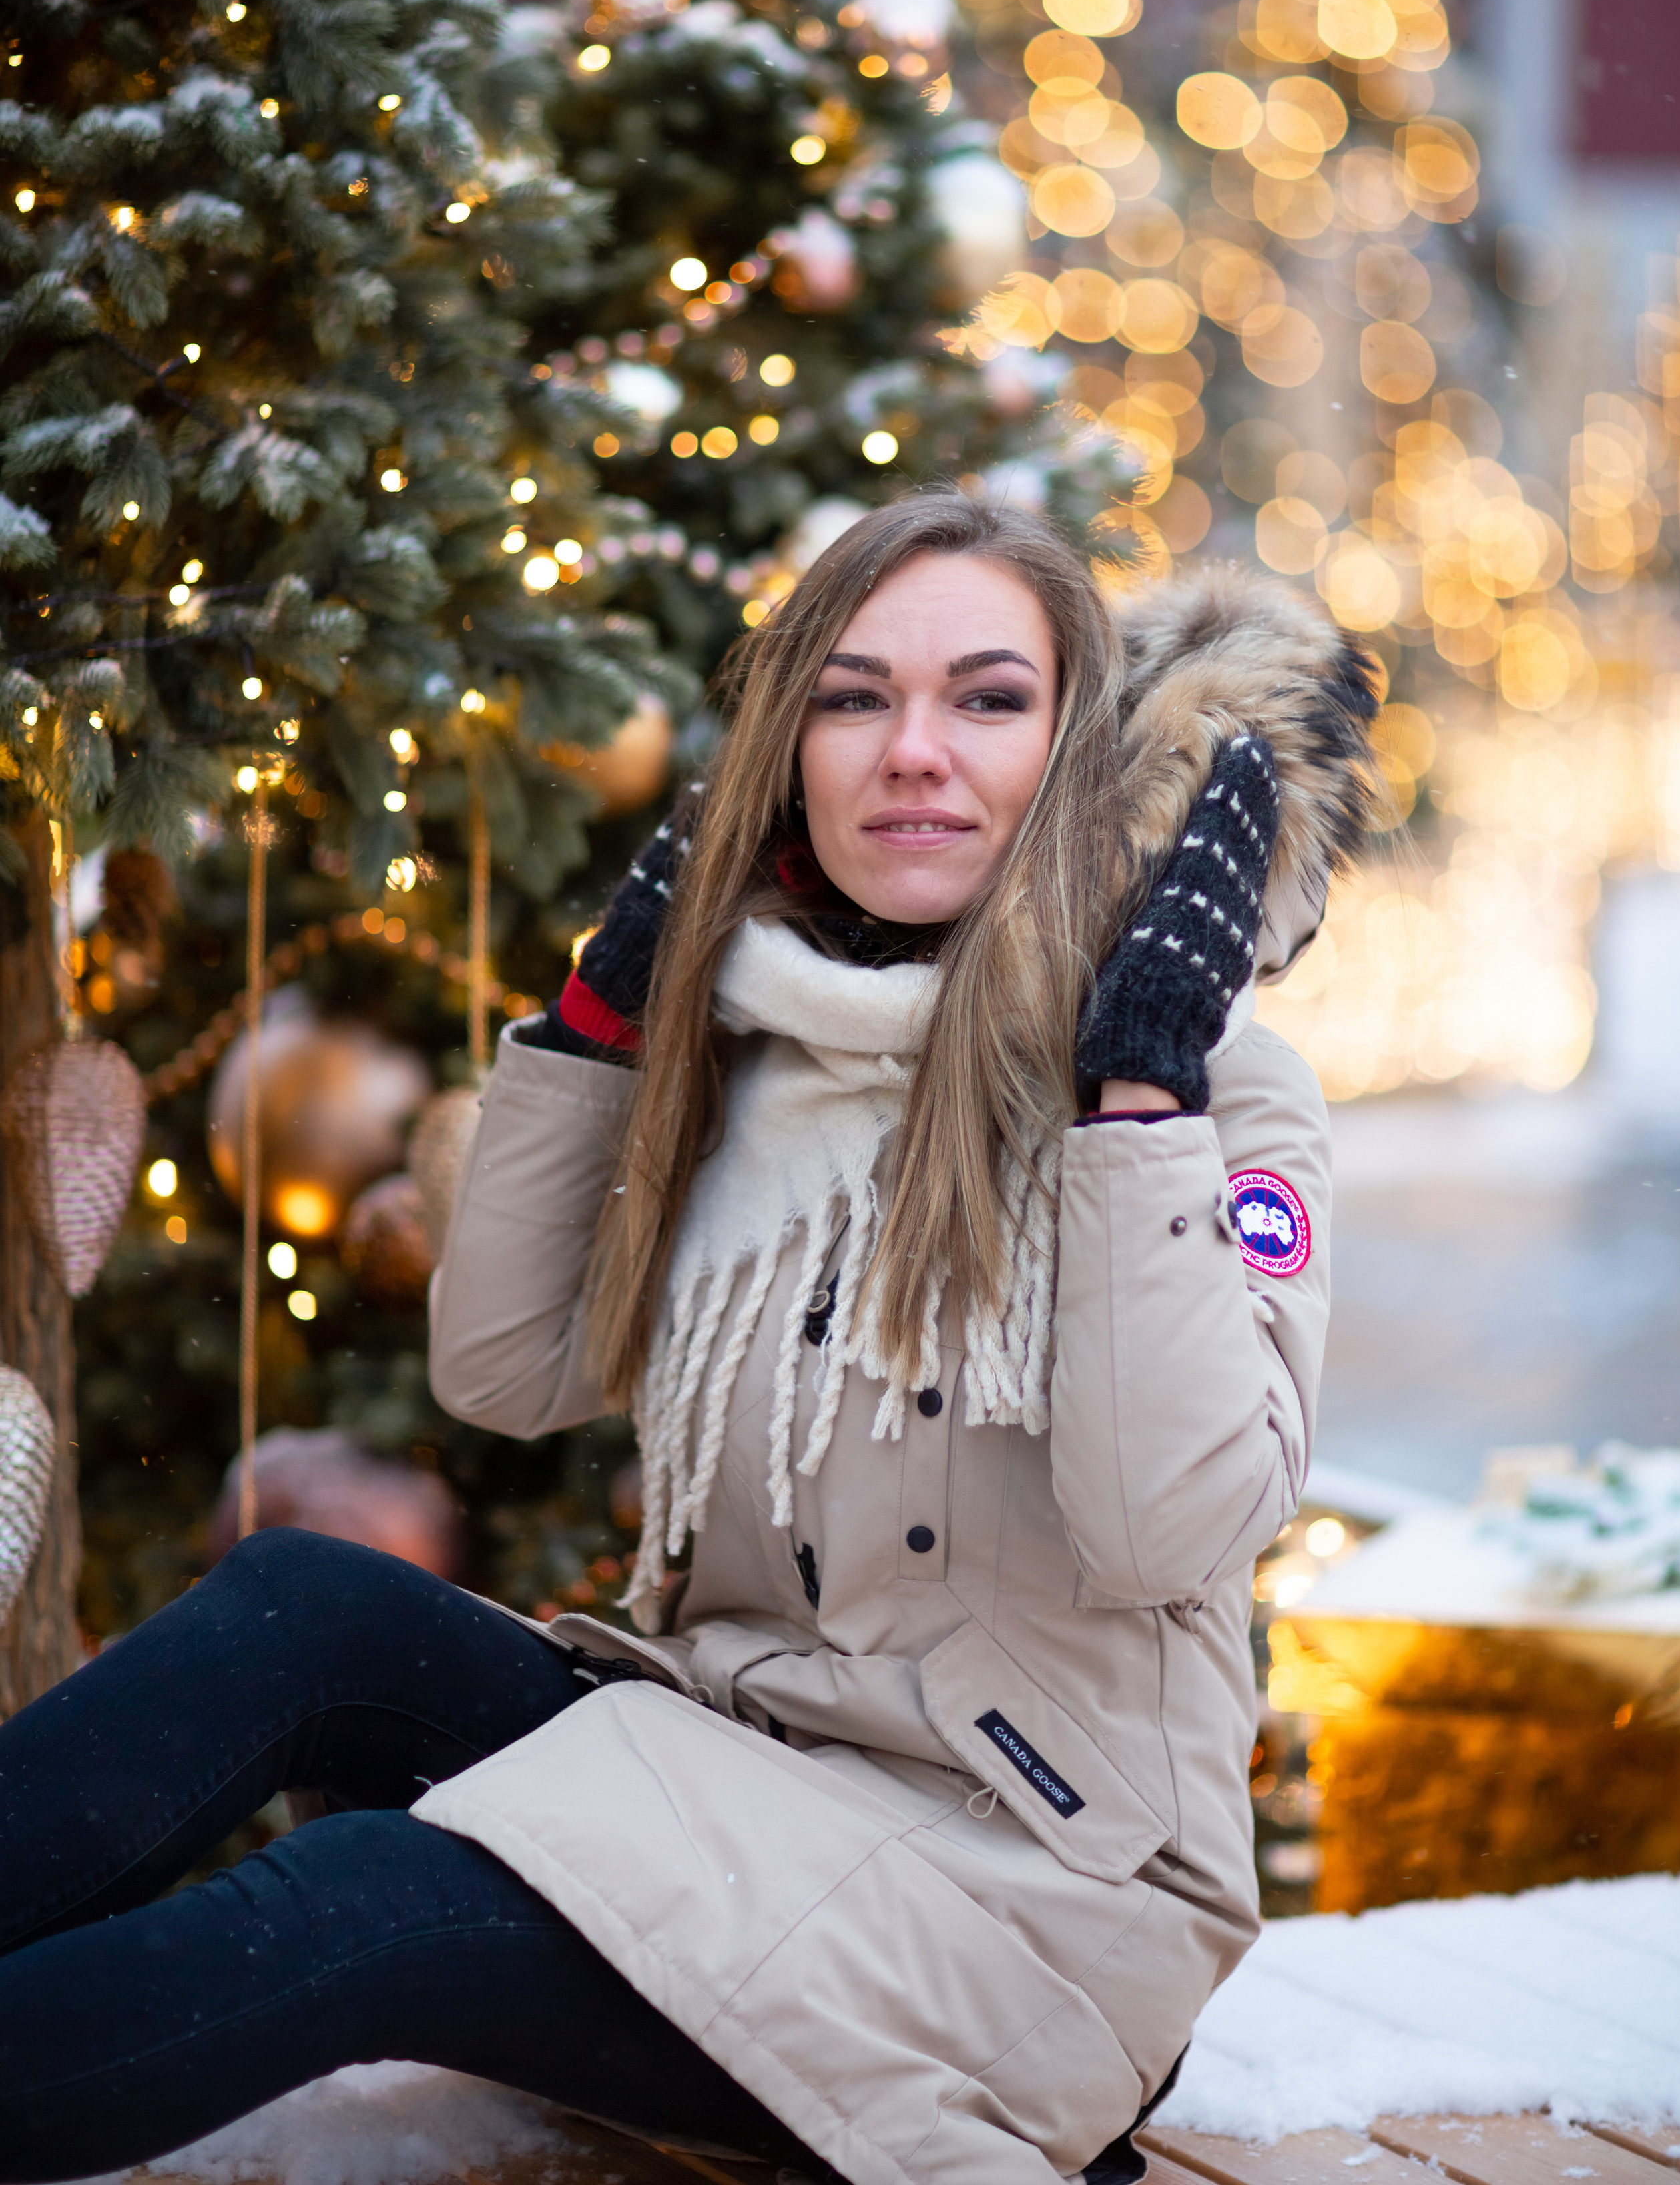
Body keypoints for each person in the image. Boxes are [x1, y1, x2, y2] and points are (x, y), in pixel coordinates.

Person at [0, 495, 1377, 2185]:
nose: (912, 751)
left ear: (1077, 748)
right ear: (789, 751)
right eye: (852, 698)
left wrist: (1136, 1097)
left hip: (1023, 1892)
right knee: (307, 1608)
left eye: (987, 699)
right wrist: (604, 1025)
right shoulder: (759, 1051)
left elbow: (1166, 1525)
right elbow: (504, 1375)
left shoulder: (1214, 1095)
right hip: (729, 1770)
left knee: (370, 1901)